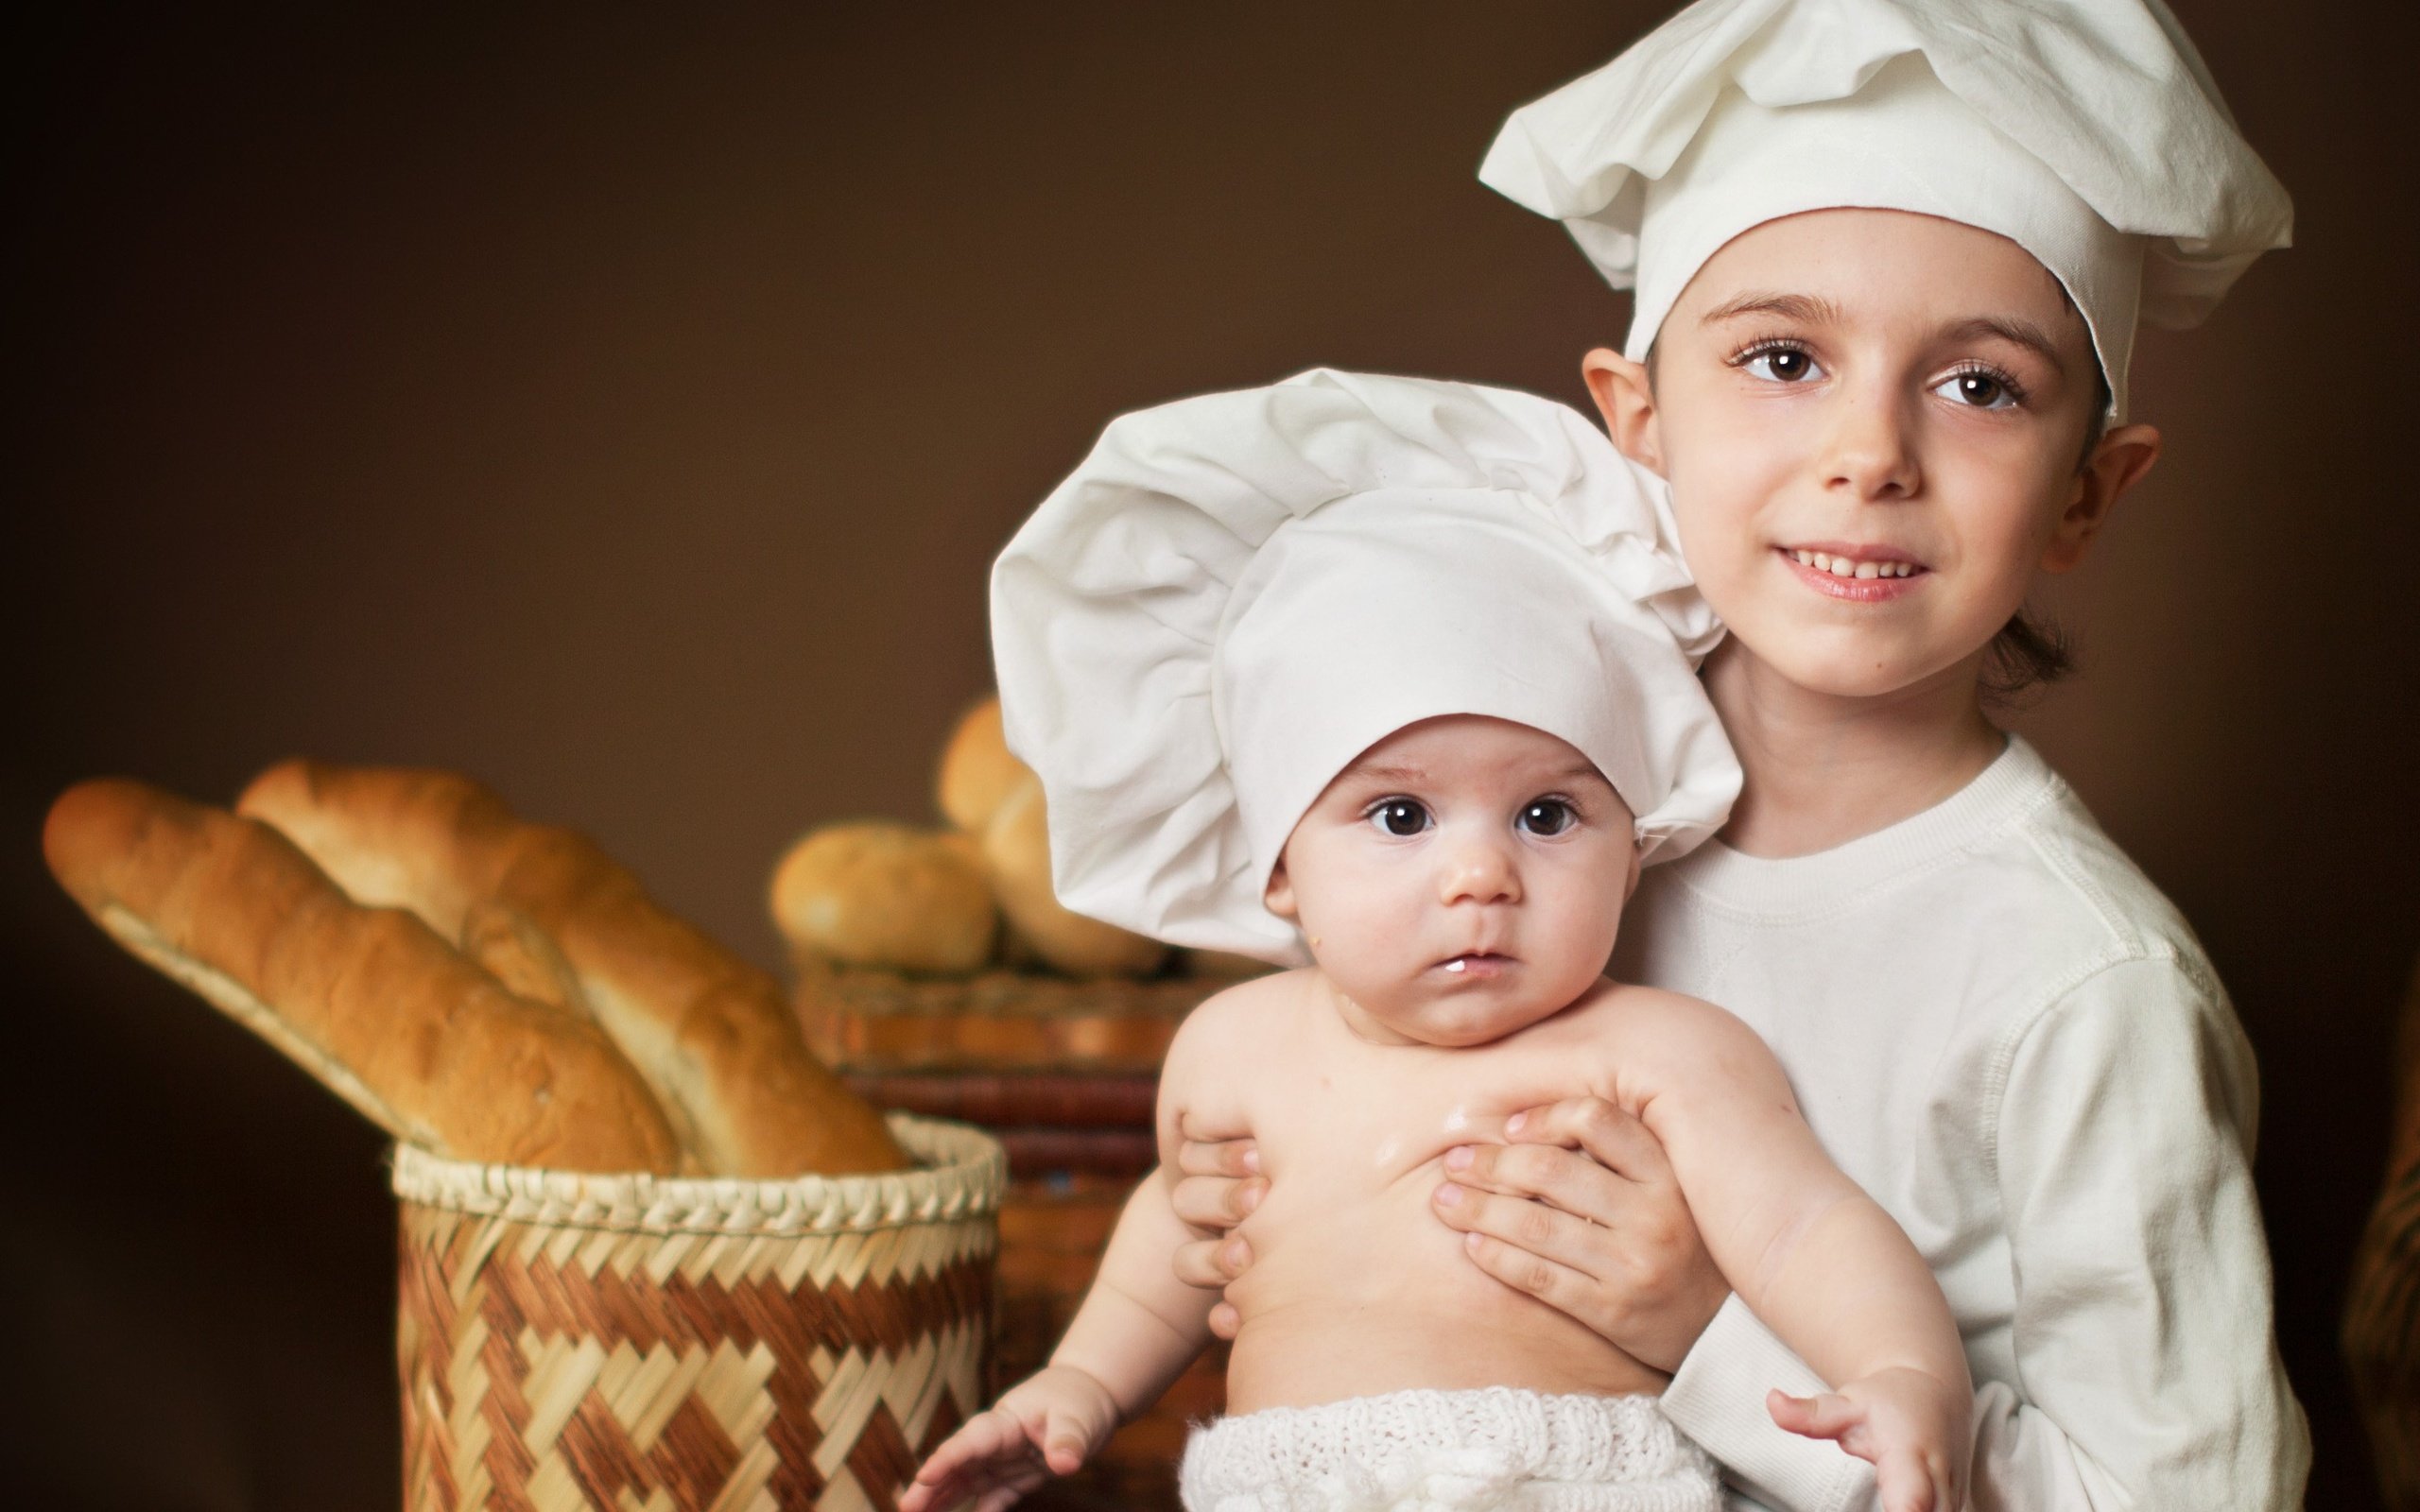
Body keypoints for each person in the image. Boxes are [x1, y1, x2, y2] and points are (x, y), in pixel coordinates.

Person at [1165, 3, 2311, 1508]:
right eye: (1782, 357)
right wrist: (1269, 1214)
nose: (1869, 454)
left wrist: (1702, 1328)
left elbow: (2191, 1496)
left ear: (2088, 494)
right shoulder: (1506, 808)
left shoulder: (2081, 988)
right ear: (1638, 419)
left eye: (1979, 386)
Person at [902, 369, 1969, 1512]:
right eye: (1400, 816)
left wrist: (1903, 1374)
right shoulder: (1232, 1048)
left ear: (1633, 843)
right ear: (1276, 867)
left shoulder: (1658, 1054)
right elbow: (1185, 1227)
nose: (1480, 877)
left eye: (1548, 815)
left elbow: (1806, 1227)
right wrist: (1079, 1385)